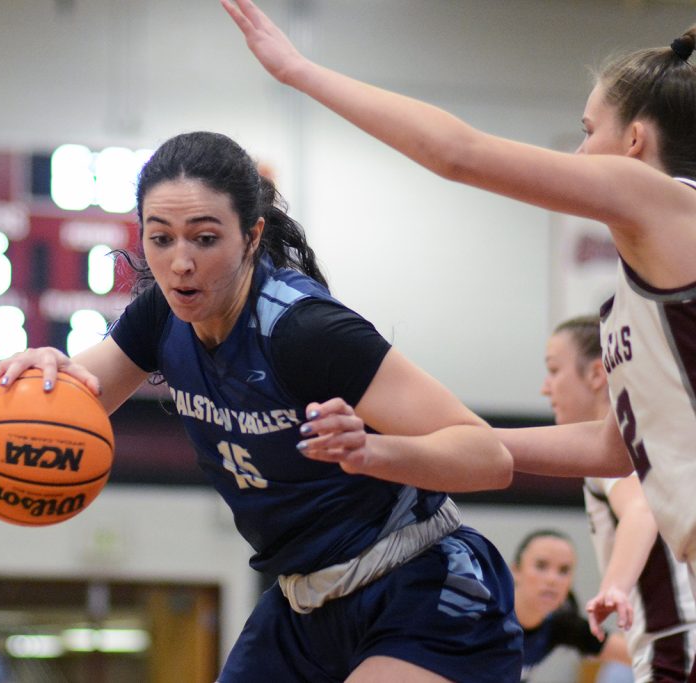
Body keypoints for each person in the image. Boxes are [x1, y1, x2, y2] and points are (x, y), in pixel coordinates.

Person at [0, 130, 523, 681]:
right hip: (304, 605)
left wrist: (373, 452)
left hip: (419, 581)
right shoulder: (161, 317)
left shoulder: (305, 331)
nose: (180, 263)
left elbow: (488, 457)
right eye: (160, 239)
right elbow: (75, 402)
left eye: (204, 239)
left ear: (252, 236)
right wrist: (44, 374)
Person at [221, 0, 696, 602]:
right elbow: (612, 449)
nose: (578, 154)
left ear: (634, 140)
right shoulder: (641, 289)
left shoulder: (659, 198)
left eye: (586, 131)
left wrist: (299, 71)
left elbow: (457, 153)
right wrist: (439, 445)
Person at [543, 316, 696, 681]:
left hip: (674, 645)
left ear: (598, 374)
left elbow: (641, 511)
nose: (545, 388)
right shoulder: (651, 436)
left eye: (554, 370)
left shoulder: (616, 452)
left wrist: (614, 587)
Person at [512, 529, 631, 682]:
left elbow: (643, 655)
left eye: (564, 570)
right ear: (515, 571)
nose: (552, 579)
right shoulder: (486, 616)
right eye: (541, 566)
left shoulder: (561, 624)